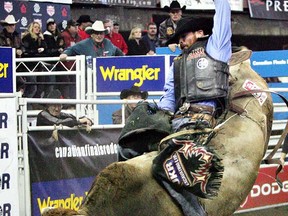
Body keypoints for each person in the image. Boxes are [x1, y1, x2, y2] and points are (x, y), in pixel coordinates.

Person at [152, 0, 232, 215]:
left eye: (183, 36)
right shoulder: (176, 63)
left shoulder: (216, 47)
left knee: (163, 167)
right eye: (178, 38)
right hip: (178, 122)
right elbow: (168, 99)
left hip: (199, 121)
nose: (180, 42)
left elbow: (223, 11)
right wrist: (151, 109)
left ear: (199, 33)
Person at [59, 20, 124, 60]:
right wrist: (65, 54)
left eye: (101, 33)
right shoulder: (84, 44)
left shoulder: (108, 43)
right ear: (92, 34)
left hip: (106, 77)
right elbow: (71, 49)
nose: (99, 35)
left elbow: (119, 53)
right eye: (96, 33)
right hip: (90, 78)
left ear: (104, 34)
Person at [22, 21, 47, 99]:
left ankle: (35, 103)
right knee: (32, 87)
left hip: (38, 64)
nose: (37, 29)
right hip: (29, 65)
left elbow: (46, 49)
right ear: (31, 28)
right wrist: (36, 51)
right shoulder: (27, 37)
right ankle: (27, 104)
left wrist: (42, 40)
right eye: (35, 27)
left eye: (38, 27)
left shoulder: (39, 38)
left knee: (41, 85)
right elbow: (25, 51)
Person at [0, 15, 25, 94]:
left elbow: (23, 46)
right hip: (5, 66)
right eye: (10, 25)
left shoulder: (17, 35)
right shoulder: (1, 36)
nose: (12, 27)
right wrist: (14, 51)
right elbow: (3, 49)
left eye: (13, 25)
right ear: (6, 26)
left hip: (17, 64)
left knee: (21, 84)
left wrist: (21, 50)